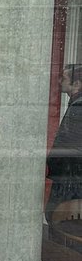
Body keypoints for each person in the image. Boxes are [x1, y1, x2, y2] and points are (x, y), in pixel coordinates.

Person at [46, 62, 82, 228]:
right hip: (70, 173)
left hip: (70, 174)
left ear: (77, 84)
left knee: (60, 218)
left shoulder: (78, 106)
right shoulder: (76, 104)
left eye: (64, 78)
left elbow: (69, 143)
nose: (60, 81)